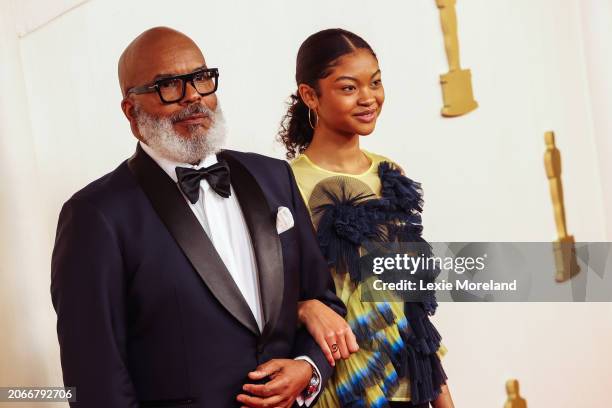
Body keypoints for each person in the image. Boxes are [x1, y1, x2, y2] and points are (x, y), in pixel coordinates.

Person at [51, 26, 345, 408]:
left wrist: (307, 367)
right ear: (130, 110)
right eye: (168, 86)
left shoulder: (274, 177)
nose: (193, 97)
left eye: (201, 79)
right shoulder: (95, 215)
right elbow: (94, 379)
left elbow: (323, 302)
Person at [278, 29, 455, 408]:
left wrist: (443, 397)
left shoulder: (390, 172)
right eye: (348, 87)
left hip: (407, 385)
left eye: (375, 82)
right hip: (337, 387)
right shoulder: (285, 182)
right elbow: (271, 297)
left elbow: (412, 302)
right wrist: (303, 309)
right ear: (310, 95)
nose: (368, 98)